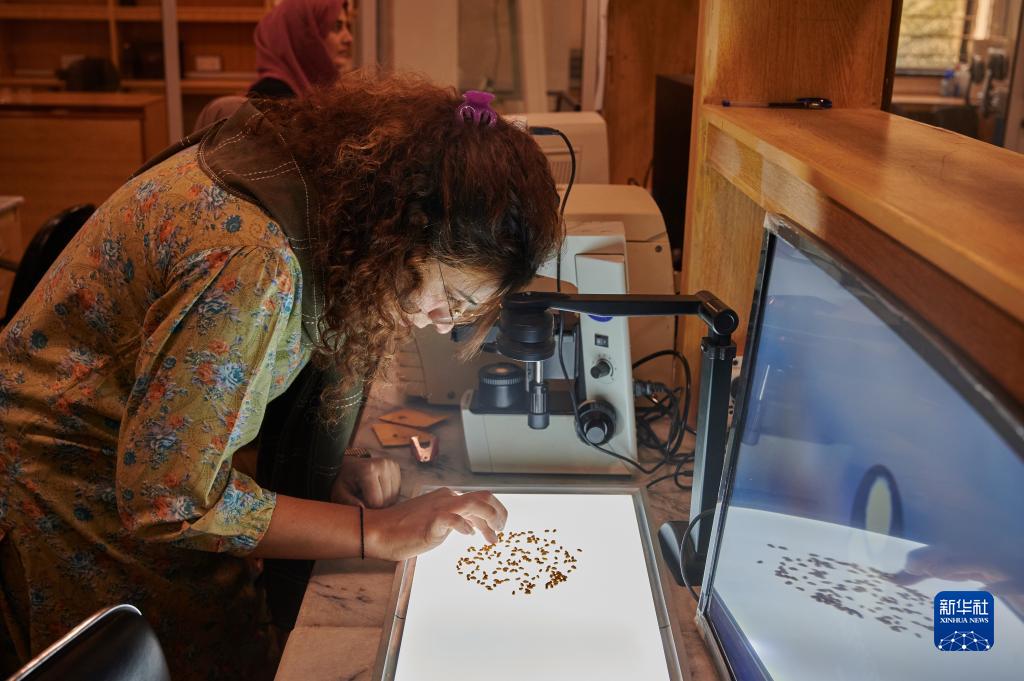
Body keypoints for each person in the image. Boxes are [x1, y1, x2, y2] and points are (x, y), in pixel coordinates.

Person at [0, 73, 560, 679]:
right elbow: (171, 498)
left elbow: (203, 399)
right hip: (67, 493)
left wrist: (322, 474)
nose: (439, 322)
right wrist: (375, 531)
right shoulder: (254, 262)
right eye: (449, 296)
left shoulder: (316, 199)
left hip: (126, 465)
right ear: (404, 236)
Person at [251, 0, 355, 98]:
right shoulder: (271, 97)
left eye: (347, 27)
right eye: (336, 27)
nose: (349, 38)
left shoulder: (317, 90)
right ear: (304, 36)